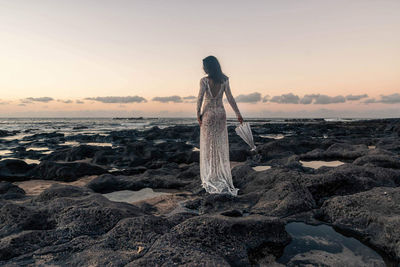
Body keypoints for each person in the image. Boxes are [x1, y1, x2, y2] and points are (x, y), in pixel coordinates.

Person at [196, 55, 243, 196]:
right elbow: (230, 98)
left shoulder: (204, 81)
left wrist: (197, 114)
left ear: (209, 67)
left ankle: (211, 176)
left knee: (208, 146)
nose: (202, 68)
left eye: (204, 65)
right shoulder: (225, 80)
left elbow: (199, 98)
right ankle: (219, 175)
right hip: (221, 114)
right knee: (219, 145)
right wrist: (238, 114)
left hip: (209, 114)